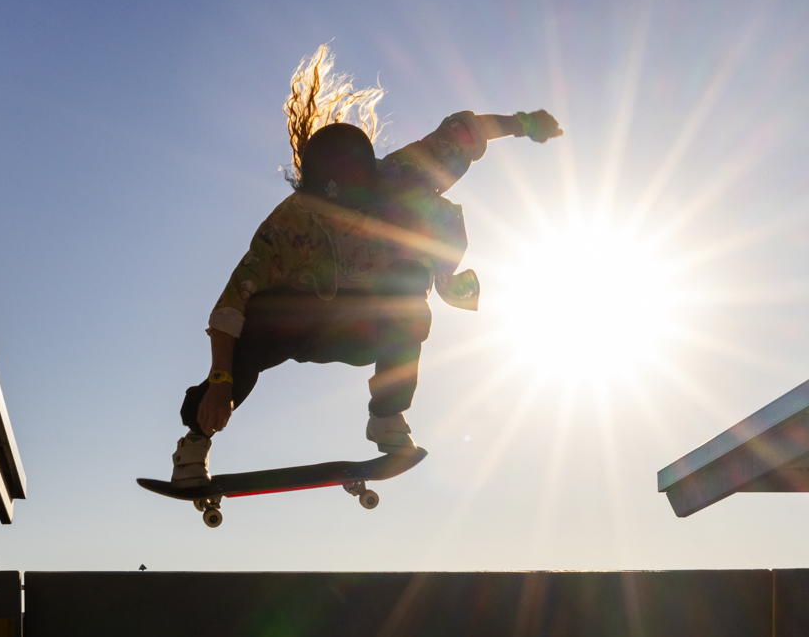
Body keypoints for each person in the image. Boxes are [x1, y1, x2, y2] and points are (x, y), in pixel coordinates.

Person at [172, 45, 561, 485]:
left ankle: (386, 416)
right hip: (298, 325)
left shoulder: (404, 176)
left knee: (410, 287)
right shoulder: (289, 223)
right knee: (257, 318)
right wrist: (220, 380)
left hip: (361, 328)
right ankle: (196, 440)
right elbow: (229, 308)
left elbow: (467, 131)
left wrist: (526, 123)